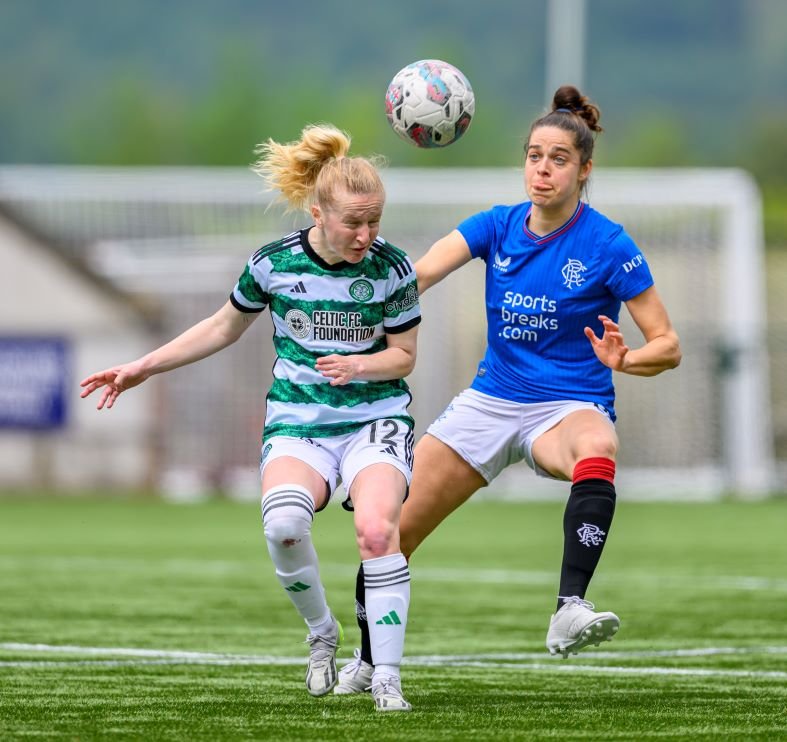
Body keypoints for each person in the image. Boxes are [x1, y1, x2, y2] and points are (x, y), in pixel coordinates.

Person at [334, 85, 682, 694]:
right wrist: (358, 298)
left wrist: (626, 359)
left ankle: (569, 606)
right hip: (490, 402)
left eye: (558, 159)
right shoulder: (496, 226)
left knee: (599, 445)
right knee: (389, 532)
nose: (542, 169)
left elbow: (668, 345)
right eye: (533, 155)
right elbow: (421, 274)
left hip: (566, 406)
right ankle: (367, 660)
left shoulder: (608, 245)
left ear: (584, 170)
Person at [80, 124, 421, 712]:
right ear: (318, 210)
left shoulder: (392, 268)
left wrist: (362, 365)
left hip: (375, 418)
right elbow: (221, 327)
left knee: (374, 530)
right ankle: (322, 633)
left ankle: (386, 676)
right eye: (353, 222)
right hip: (299, 421)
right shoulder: (274, 264)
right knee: (283, 526)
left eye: (374, 221)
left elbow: (405, 356)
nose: (366, 234)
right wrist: (143, 366)